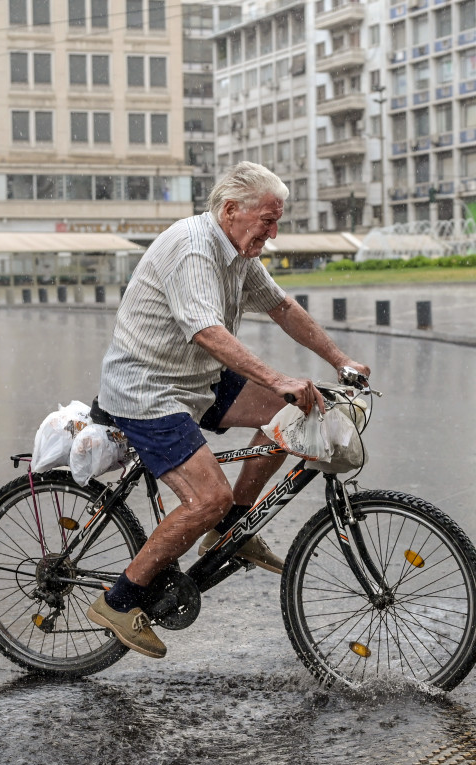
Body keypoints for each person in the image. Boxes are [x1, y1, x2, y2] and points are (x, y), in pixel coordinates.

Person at [86, 161, 370, 659]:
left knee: (294, 418)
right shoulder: (195, 248)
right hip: (148, 390)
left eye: (277, 221)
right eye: (267, 220)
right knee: (205, 498)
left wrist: (340, 360)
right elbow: (206, 332)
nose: (273, 232)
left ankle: (231, 529)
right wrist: (278, 379)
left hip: (198, 377)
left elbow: (282, 308)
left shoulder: (236, 251)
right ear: (231, 210)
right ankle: (119, 600)